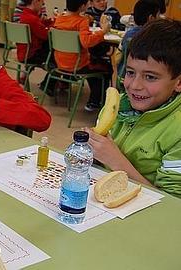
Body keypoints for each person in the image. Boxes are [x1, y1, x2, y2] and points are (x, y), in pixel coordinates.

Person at [86, 19, 181, 198]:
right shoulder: (118, 105)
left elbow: (172, 205)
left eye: (150, 77)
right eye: (130, 73)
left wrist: (115, 160)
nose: (134, 85)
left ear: (178, 82)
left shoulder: (177, 132)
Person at [53, 0, 111, 112]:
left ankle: (62, 84)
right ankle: (95, 102)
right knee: (105, 69)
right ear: (83, 6)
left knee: (94, 65)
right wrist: (103, 32)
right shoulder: (81, 21)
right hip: (78, 65)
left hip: (60, 62)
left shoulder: (59, 18)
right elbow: (86, 42)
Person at [117, 0, 160, 76]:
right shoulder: (151, 38)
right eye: (158, 16)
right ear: (151, 18)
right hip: (141, 79)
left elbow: (118, 56)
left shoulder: (128, 34)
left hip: (122, 76)